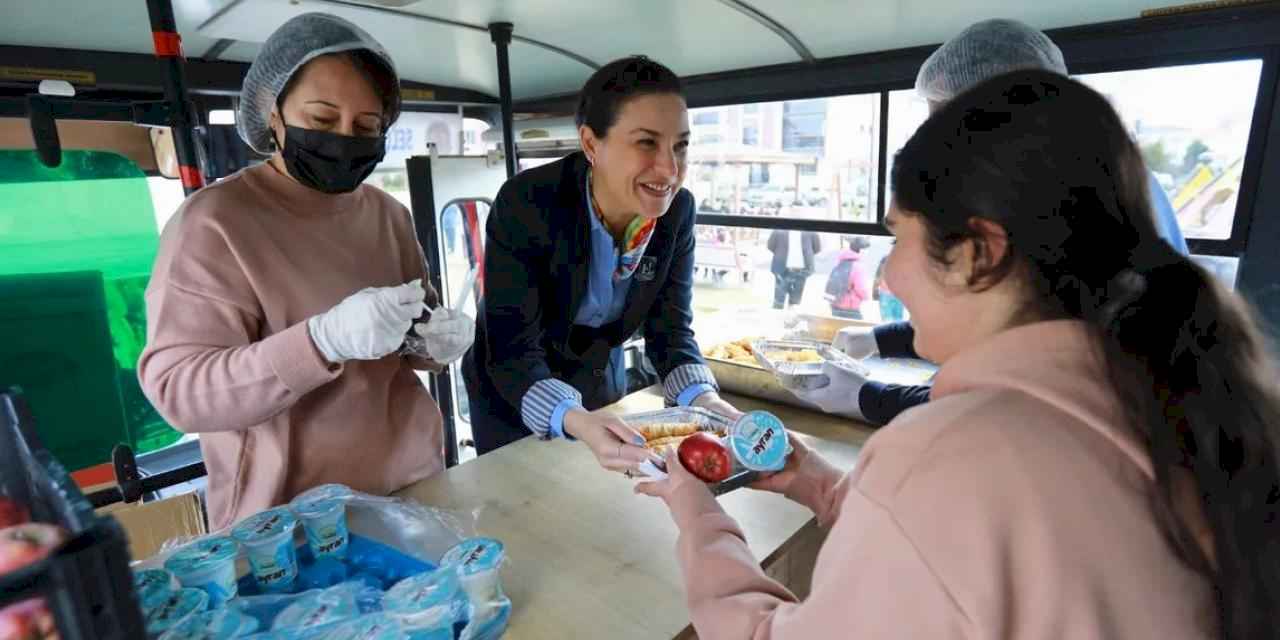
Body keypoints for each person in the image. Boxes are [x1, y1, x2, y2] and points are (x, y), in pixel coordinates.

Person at [639, 69, 1280, 639]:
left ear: (980, 251)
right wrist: (820, 485)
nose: (886, 277)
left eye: (898, 237)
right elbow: (962, 561)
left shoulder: (944, 457)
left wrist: (697, 512)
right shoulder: (1174, 397)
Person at [138, 13, 473, 529]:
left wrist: (431, 344)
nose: (345, 138)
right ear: (273, 115)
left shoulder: (387, 214)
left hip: (410, 490)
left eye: (366, 127)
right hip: (290, 525)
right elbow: (180, 390)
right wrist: (320, 342)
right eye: (321, 120)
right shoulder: (216, 224)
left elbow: (403, 341)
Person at [801, 18, 1193, 426]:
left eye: (949, 125)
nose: (894, 277)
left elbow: (1009, 395)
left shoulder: (1059, 203)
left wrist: (869, 398)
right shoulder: (1096, 174)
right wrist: (881, 339)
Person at [462, 56, 741, 469]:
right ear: (591, 144)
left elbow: (670, 330)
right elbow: (513, 348)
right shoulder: (528, 203)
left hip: (594, 374)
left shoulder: (677, 213)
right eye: (647, 142)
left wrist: (710, 404)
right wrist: (576, 419)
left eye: (680, 145)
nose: (669, 168)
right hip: (511, 387)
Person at [767, 230, 821, 309]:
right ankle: (781, 313)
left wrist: (780, 252)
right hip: (784, 268)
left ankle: (787, 315)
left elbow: (816, 248)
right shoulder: (779, 230)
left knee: (789, 298)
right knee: (783, 298)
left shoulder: (811, 231)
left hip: (800, 269)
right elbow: (770, 246)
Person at [824, 236, 870, 319]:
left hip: (835, 304)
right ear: (861, 250)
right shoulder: (858, 266)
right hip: (850, 306)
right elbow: (861, 288)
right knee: (856, 329)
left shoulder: (840, 262)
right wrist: (866, 297)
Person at [871, 256, 904, 321]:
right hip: (897, 296)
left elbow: (877, 279)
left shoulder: (884, 264)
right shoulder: (899, 266)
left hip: (887, 296)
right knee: (897, 319)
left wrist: (874, 291)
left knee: (888, 319)